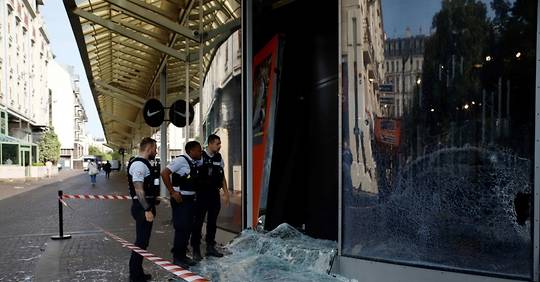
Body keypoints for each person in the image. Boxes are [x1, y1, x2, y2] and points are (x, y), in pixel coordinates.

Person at [161, 141, 202, 269]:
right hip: (181, 200)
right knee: (181, 229)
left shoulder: (194, 162)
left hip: (190, 200)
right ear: (191, 151)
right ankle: (177, 258)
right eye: (198, 150)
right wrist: (172, 192)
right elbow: (164, 173)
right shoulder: (181, 160)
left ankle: (183, 255)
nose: (200, 152)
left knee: (188, 228)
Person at [191, 134, 229, 260]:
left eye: (220, 143)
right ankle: (195, 249)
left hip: (214, 194)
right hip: (202, 194)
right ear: (210, 144)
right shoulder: (200, 156)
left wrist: (226, 193)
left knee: (212, 222)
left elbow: (222, 176)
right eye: (217, 143)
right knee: (198, 221)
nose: (219, 146)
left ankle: (210, 247)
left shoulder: (219, 157)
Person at [128, 137, 159, 282]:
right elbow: (139, 189)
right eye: (155, 148)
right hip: (142, 208)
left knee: (143, 242)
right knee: (140, 242)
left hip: (144, 206)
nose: (156, 151)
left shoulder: (144, 163)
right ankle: (135, 276)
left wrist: (153, 199)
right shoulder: (139, 165)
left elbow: (146, 188)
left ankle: (138, 273)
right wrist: (147, 208)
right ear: (149, 148)